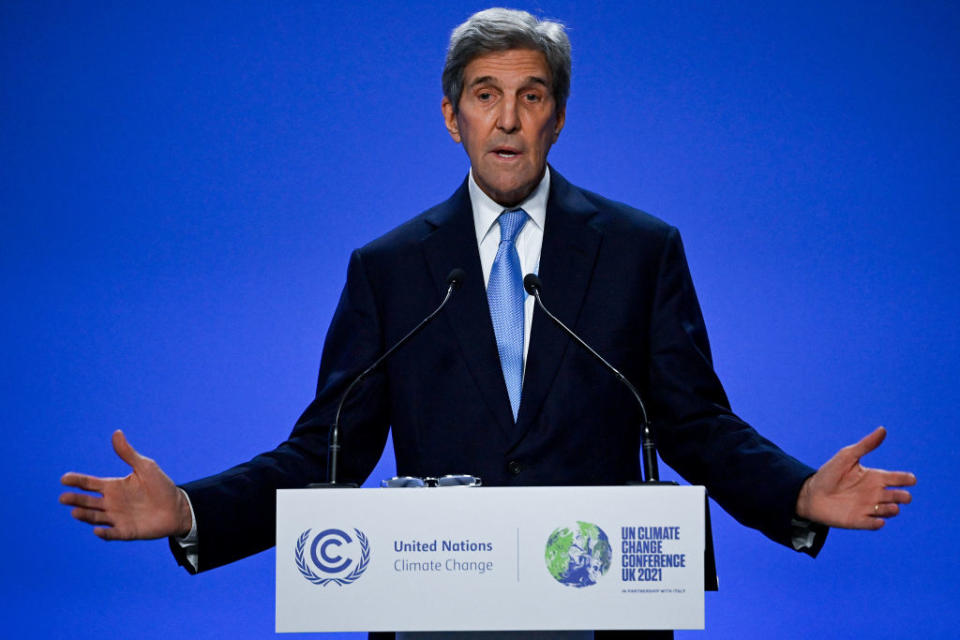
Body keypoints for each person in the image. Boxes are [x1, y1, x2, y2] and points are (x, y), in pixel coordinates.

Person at [60, 8, 916, 638]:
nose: (507, 118)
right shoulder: (391, 269)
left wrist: (797, 493)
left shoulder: (640, 250)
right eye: (485, 95)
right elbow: (327, 453)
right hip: (436, 608)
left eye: (530, 95)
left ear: (558, 115)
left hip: (604, 609)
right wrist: (187, 508)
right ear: (452, 116)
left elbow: (693, 422)